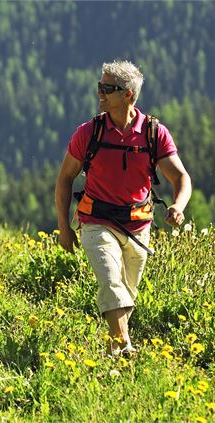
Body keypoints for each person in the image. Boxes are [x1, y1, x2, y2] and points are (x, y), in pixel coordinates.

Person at [55, 60, 191, 356]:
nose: (99, 93)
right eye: (99, 86)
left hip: (138, 225)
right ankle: (124, 346)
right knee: (110, 280)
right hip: (96, 220)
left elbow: (181, 177)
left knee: (128, 291)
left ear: (128, 94)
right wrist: (64, 227)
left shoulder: (154, 133)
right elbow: (65, 179)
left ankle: (113, 348)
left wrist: (178, 206)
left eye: (107, 88)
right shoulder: (88, 133)